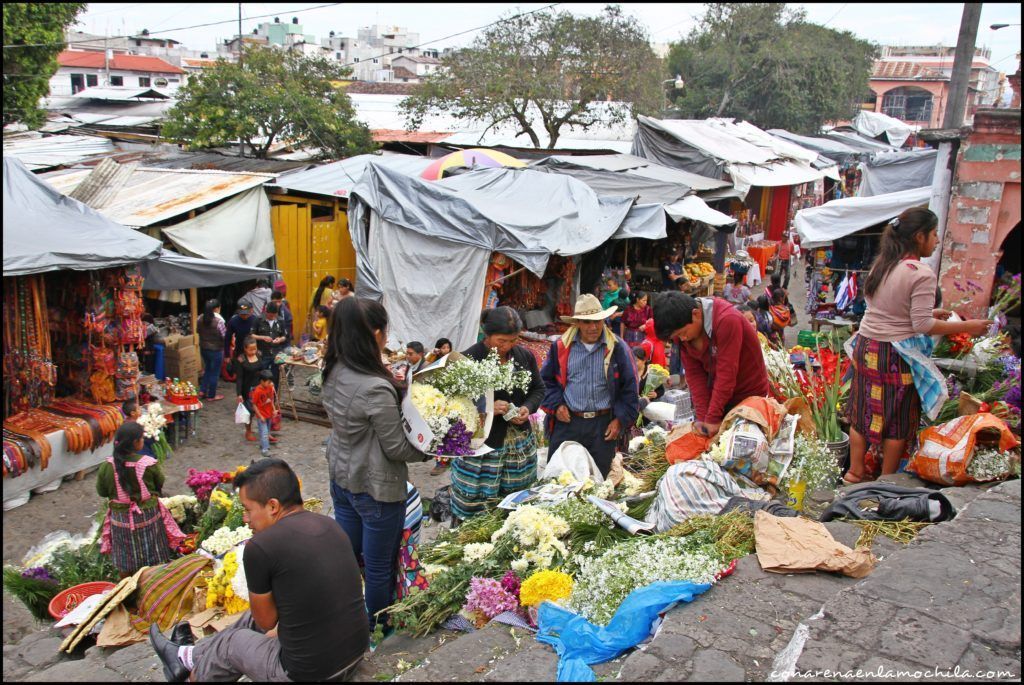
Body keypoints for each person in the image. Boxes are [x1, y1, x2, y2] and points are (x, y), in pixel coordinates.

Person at [149, 458, 369, 682]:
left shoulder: (261, 546)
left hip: (309, 673)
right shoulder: (329, 524)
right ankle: (186, 656)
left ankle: (190, 677)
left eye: (248, 509)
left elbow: (267, 623)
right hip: (354, 653)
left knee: (232, 643)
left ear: (273, 506)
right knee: (250, 619)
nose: (245, 519)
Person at [844, 208, 991, 484]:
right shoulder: (920, 273)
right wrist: (969, 326)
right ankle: (886, 481)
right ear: (919, 236)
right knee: (897, 419)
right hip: (893, 355)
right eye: (934, 234)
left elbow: (889, 310)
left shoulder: (883, 264)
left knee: (862, 410)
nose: (936, 241)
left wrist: (931, 314)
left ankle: (854, 473)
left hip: (867, 347)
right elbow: (922, 325)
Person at [321, 297, 429, 634]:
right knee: (379, 566)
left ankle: (345, 617)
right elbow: (396, 447)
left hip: (342, 476)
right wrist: (432, 449)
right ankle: (375, 628)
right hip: (376, 488)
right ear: (376, 334)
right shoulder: (374, 386)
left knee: (350, 556)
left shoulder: (334, 368)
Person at [451, 308, 546, 522]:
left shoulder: (523, 356)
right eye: (502, 340)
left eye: (513, 340)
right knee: (477, 509)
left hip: (518, 446)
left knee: (515, 506)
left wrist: (527, 408)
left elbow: (538, 389)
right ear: (487, 334)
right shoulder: (468, 359)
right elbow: (454, 403)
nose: (507, 346)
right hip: (482, 447)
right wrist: (488, 406)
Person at [540, 294, 640, 478]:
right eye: (587, 322)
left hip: (602, 426)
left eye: (598, 321)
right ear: (577, 323)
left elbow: (630, 388)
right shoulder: (562, 347)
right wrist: (557, 405)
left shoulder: (617, 348)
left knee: (599, 481)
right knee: (560, 478)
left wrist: (620, 420)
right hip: (568, 422)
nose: (593, 327)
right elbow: (546, 381)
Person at [653, 292, 770, 438]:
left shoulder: (727, 320)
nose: (682, 339)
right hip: (718, 396)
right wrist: (704, 420)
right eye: (677, 337)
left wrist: (713, 418)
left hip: (748, 396)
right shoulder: (681, 336)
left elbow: (726, 374)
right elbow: (695, 376)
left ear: (696, 314)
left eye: (683, 333)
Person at [97, 422, 184, 577]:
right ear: (136, 442)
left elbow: (102, 491)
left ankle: (126, 589)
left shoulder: (107, 466)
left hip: (120, 520)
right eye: (142, 439)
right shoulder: (148, 464)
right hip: (147, 516)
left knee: (125, 558)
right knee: (153, 553)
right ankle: (154, 584)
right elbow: (159, 484)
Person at [234, 336, 266, 444]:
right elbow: (239, 378)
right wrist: (239, 394)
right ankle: (248, 430)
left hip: (260, 387)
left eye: (255, 349)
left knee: (263, 409)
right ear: (245, 349)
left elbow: (263, 370)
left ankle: (265, 432)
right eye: (250, 349)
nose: (253, 351)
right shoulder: (241, 360)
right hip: (248, 389)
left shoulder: (259, 354)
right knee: (250, 412)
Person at [251, 302, 290, 391]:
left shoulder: (280, 320)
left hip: (276, 353)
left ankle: (273, 396)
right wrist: (262, 337)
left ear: (276, 313)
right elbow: (251, 335)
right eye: (270, 315)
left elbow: (285, 336)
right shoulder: (259, 319)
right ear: (266, 312)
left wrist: (279, 339)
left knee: (275, 376)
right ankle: (259, 395)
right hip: (262, 353)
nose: (272, 317)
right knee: (261, 375)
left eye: (274, 315)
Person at [197, 299, 226, 401]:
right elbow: (224, 336)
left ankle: (202, 390)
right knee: (214, 372)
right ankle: (211, 395)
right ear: (217, 309)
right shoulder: (219, 322)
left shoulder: (199, 318)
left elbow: (198, 331)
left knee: (208, 369)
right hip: (216, 350)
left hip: (204, 348)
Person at [251, 370, 278, 458]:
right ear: (262, 381)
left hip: (269, 414)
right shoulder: (257, 391)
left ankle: (263, 444)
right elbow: (254, 404)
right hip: (262, 415)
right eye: (268, 382)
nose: (270, 383)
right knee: (264, 432)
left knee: (266, 431)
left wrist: (274, 409)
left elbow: (271, 400)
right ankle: (265, 449)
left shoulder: (269, 387)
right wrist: (260, 415)